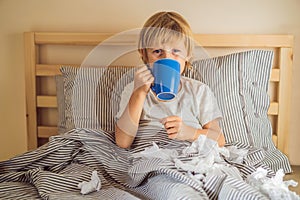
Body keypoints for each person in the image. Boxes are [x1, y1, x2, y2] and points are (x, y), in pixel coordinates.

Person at [115, 11, 225, 150]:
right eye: (157, 51)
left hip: (190, 156)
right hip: (151, 157)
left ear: (188, 55)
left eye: (176, 51)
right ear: (144, 55)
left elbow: (219, 139)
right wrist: (139, 93)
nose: (167, 58)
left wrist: (190, 132)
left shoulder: (198, 90)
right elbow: (123, 142)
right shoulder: (133, 90)